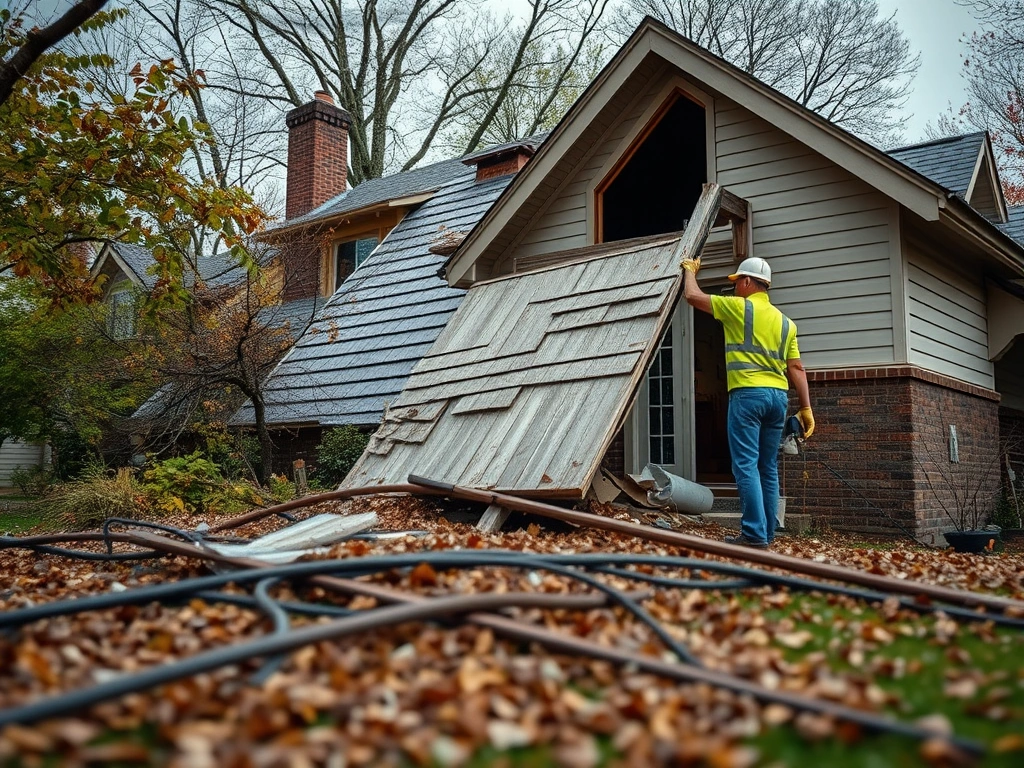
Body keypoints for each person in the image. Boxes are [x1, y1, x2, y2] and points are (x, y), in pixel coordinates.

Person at [680, 254, 813, 548]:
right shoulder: (786, 323)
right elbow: (796, 368)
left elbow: (692, 295)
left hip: (748, 396)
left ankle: (753, 534)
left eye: (737, 281)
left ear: (749, 281)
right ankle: (766, 534)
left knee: (745, 465)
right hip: (778, 398)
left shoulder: (739, 308)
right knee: (767, 467)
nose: (735, 287)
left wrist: (690, 270)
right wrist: (806, 408)